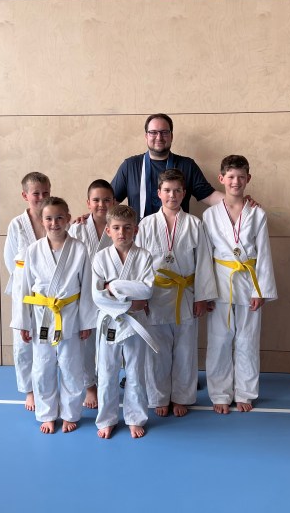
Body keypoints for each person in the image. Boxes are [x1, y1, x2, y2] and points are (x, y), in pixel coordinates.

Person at [135, 169, 217, 417]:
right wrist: (140, 296)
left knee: (185, 349)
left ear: (184, 193)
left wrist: (202, 297)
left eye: (177, 190)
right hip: (155, 296)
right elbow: (139, 263)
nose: (172, 195)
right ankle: (159, 397)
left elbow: (204, 262)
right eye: (167, 190)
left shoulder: (195, 224)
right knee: (157, 350)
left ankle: (181, 397)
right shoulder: (146, 224)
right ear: (159, 193)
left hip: (186, 294)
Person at [11, 197, 96, 434]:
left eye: (59, 218)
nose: (54, 223)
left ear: (68, 219)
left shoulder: (79, 249)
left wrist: (86, 321)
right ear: (42, 220)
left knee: (71, 366)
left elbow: (87, 288)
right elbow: (24, 289)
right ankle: (47, 414)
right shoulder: (33, 250)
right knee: (42, 367)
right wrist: (24, 323)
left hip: (71, 315)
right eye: (49, 218)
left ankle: (70, 414)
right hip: (42, 316)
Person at [203, 155, 278, 414]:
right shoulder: (210, 215)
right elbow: (205, 256)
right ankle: (220, 394)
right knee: (219, 341)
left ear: (248, 179)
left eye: (241, 177)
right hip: (220, 282)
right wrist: (205, 292)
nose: (236, 182)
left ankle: (245, 392)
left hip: (249, 282)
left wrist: (262, 291)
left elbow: (264, 253)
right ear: (221, 179)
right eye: (231, 177)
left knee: (247, 340)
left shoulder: (257, 213)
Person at [92, 205, 156, 439]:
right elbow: (97, 295)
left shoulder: (144, 256)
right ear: (108, 230)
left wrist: (114, 286)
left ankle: (135, 418)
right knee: (106, 372)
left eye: (127, 228)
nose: (122, 233)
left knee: (136, 371)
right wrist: (130, 303)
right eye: (117, 228)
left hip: (135, 324)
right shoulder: (100, 258)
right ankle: (106, 419)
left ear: (136, 230)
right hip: (110, 322)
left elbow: (147, 291)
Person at [111, 113, 224, 220]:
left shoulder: (187, 165)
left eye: (164, 132)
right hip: (139, 232)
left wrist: (234, 202)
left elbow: (210, 197)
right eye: (153, 132)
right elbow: (110, 202)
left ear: (171, 136)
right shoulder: (130, 166)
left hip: (177, 233)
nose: (159, 137)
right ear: (146, 136)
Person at [3, 172, 51, 412]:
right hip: (23, 289)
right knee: (23, 342)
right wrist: (27, 282)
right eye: (36, 194)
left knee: (49, 342)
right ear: (25, 195)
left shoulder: (54, 217)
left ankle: (48, 387)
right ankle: (30, 390)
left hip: (49, 292)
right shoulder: (17, 224)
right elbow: (11, 260)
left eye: (45, 192)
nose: (41, 197)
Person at [68, 180, 115, 409]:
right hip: (84, 294)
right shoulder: (76, 229)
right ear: (88, 203)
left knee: (110, 344)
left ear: (114, 202)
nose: (101, 204)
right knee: (86, 344)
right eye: (96, 200)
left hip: (110, 295)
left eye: (106, 200)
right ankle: (90, 386)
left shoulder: (119, 227)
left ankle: (108, 383)